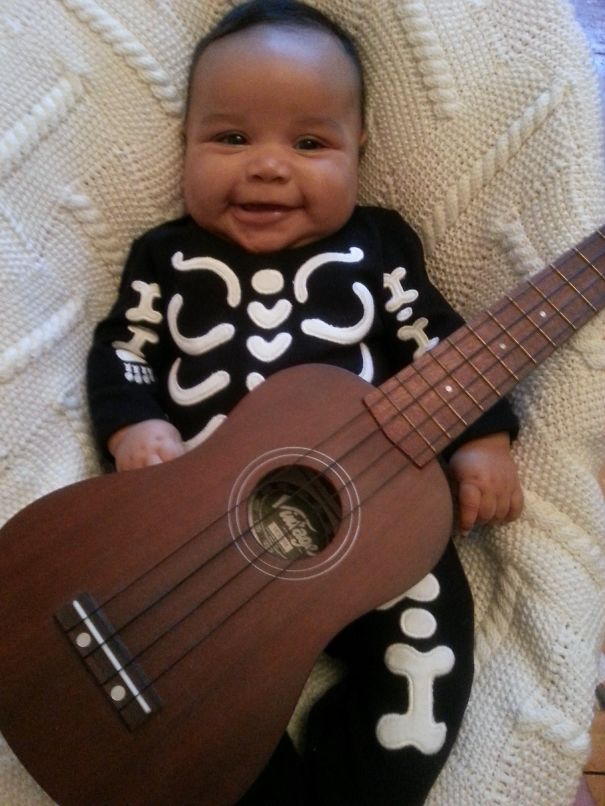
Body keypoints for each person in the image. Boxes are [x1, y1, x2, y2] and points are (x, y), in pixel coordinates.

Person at [87, 1, 524, 803]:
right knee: (190, 705)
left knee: (423, 666)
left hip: (375, 524)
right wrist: (133, 425)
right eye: (230, 138)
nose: (266, 166)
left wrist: (482, 438)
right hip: (207, 540)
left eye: (310, 143)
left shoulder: (376, 247)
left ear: (360, 151)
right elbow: (124, 346)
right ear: (184, 143)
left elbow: (435, 338)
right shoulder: (166, 257)